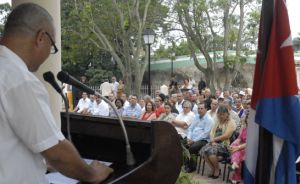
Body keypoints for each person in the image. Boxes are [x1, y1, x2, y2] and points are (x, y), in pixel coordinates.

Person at [0, 3, 113, 183]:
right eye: (52, 46)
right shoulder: (19, 80)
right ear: (41, 38)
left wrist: (41, 162)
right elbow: (56, 152)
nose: (48, 53)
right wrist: (93, 174)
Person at [200, 105, 236, 179]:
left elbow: (227, 135)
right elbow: (211, 132)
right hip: (214, 143)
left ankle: (216, 170)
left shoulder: (231, 122)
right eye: (219, 115)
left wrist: (214, 140)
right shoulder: (217, 121)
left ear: (227, 114)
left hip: (224, 145)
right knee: (203, 152)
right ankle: (213, 168)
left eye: (223, 114)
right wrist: (212, 140)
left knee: (211, 154)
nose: (221, 116)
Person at [183, 102, 214, 173]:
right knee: (182, 144)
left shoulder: (209, 120)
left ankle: (191, 167)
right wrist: (189, 138)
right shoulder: (196, 116)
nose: (199, 110)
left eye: (201, 108)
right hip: (192, 138)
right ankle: (184, 163)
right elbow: (190, 129)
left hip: (203, 140)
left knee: (193, 147)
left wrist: (193, 141)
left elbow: (205, 134)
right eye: (198, 108)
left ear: (206, 109)